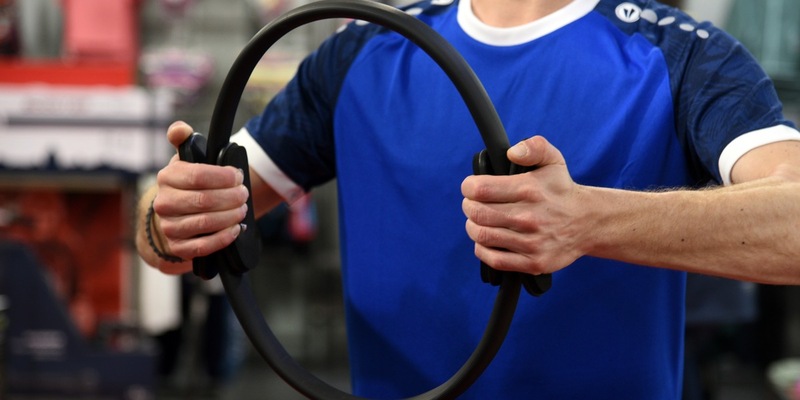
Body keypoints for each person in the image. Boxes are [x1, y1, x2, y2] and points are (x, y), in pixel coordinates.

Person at [135, 0, 800, 398]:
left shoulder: (680, 56)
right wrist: (170, 219)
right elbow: (167, 239)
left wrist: (589, 221)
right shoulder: (362, 54)